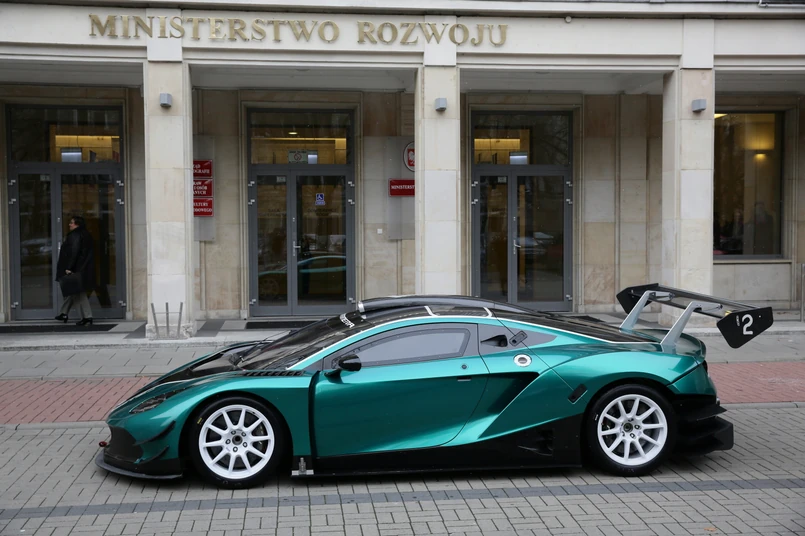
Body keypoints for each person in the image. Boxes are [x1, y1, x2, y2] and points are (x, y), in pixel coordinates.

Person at [55, 215, 95, 326]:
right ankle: (64, 313)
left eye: (71, 223)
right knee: (73, 290)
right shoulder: (86, 234)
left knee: (78, 293)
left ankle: (87, 317)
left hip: (77, 268)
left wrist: (69, 267)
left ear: (77, 224)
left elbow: (74, 252)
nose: (69, 225)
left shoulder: (75, 235)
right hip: (83, 267)